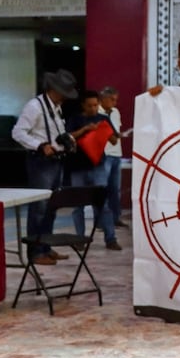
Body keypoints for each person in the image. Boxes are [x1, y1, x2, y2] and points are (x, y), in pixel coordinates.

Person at [11, 69, 79, 266]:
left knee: (51, 207)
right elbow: (18, 133)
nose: (66, 97)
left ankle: (46, 247)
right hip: (40, 163)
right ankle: (35, 253)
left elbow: (56, 133)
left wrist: (67, 142)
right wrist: (40, 146)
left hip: (57, 162)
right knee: (39, 208)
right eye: (64, 93)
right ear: (54, 89)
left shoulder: (56, 107)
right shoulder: (35, 106)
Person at [66, 90, 121, 250]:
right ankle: (80, 239)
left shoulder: (103, 118)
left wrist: (105, 131)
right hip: (78, 166)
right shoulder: (75, 119)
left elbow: (113, 140)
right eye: (90, 106)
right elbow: (68, 137)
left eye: (96, 105)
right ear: (83, 105)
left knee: (103, 203)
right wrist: (85, 130)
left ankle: (110, 238)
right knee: (78, 205)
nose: (93, 109)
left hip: (98, 165)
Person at [98, 86, 127, 229]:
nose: (114, 103)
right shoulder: (96, 112)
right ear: (103, 99)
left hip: (116, 153)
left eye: (116, 100)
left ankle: (116, 218)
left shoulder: (115, 112)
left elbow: (116, 131)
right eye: (112, 100)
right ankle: (101, 221)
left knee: (115, 189)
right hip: (103, 154)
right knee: (102, 189)